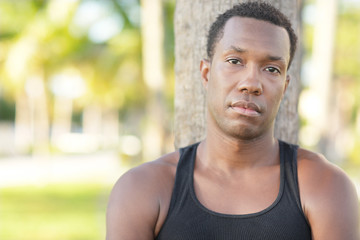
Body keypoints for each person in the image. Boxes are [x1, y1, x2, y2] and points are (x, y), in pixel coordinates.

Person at [106, 2, 359, 239]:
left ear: (285, 86)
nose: (251, 83)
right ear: (206, 74)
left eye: (271, 69)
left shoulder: (326, 186)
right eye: (234, 61)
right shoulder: (143, 189)